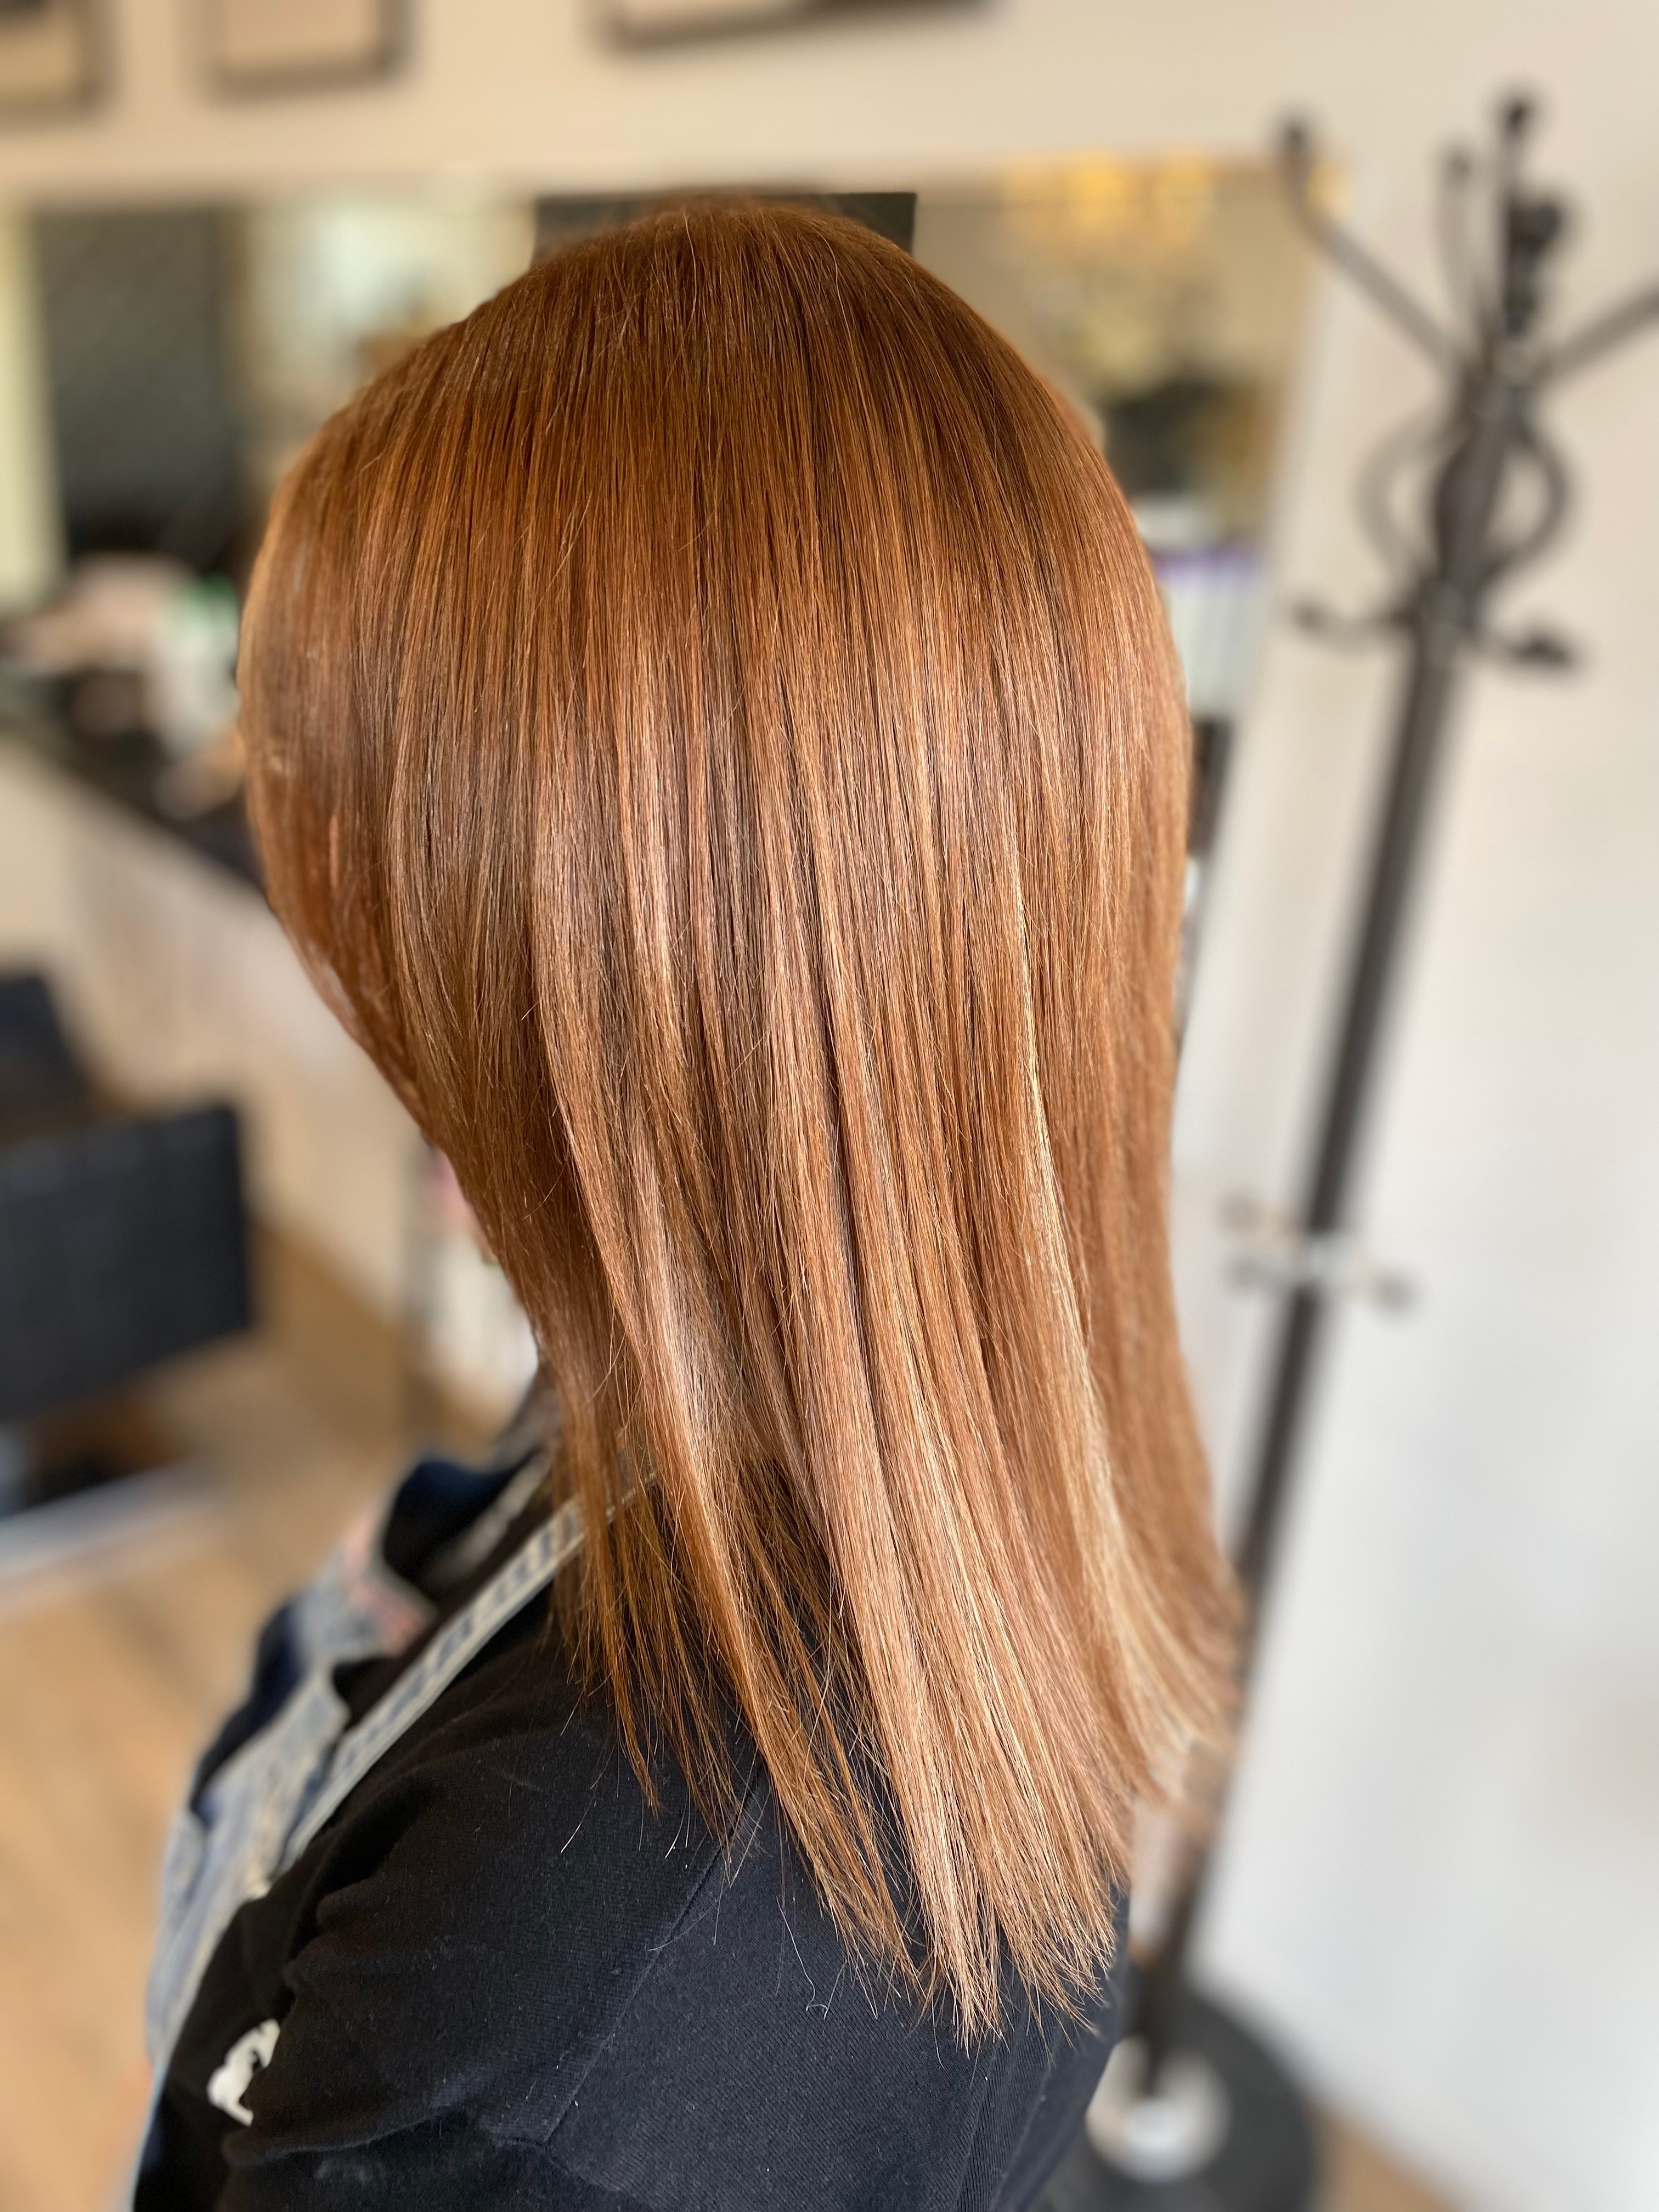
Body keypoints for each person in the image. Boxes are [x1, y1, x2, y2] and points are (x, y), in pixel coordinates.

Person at [133, 201, 1235, 2211]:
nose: (374, 1008)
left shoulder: (543, 2033)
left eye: (414, 925)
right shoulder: (866, 1441)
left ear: (656, 997)